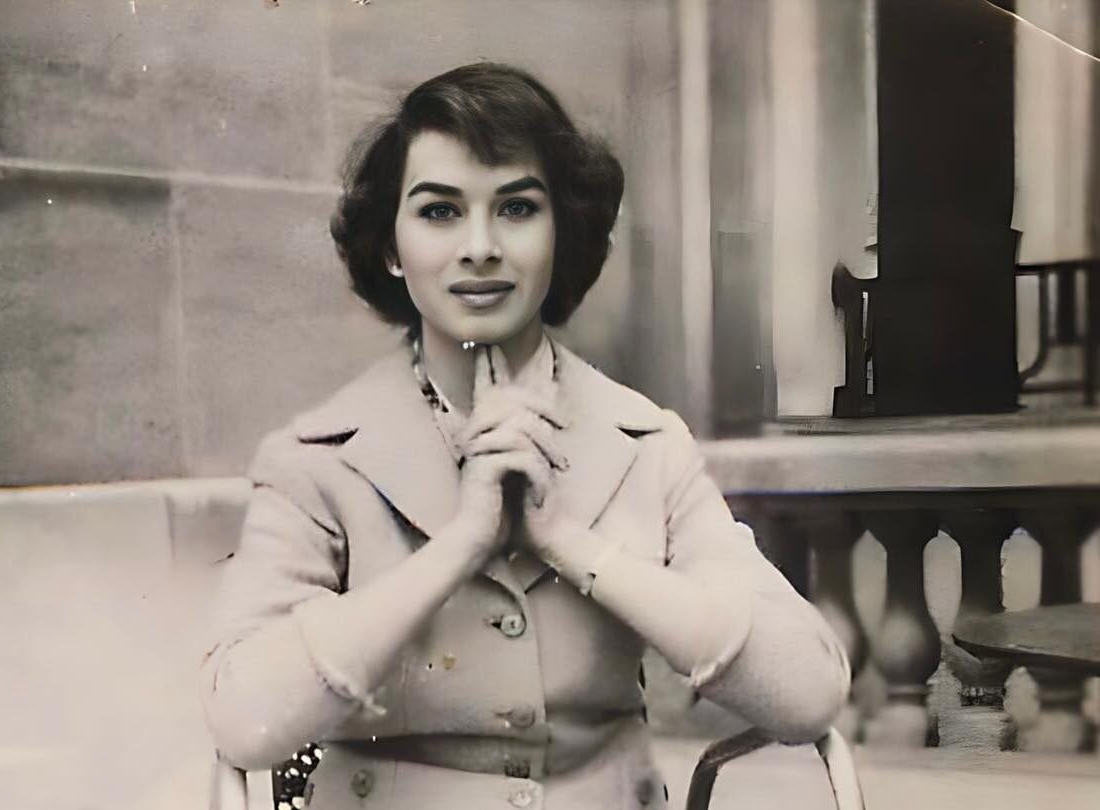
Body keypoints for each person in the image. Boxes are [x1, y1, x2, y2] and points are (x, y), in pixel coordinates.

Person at [199, 62, 849, 810]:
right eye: (440, 212)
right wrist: (461, 545)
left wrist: (571, 542)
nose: (480, 246)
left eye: (516, 208)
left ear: (561, 233)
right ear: (389, 247)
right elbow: (243, 722)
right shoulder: (316, 462)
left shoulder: (645, 444)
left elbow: (807, 694)